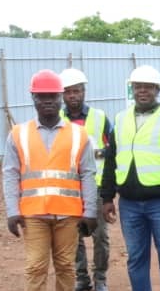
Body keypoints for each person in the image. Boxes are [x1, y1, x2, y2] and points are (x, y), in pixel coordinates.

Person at [100, 65, 160, 291]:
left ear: (157, 90)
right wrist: (106, 197)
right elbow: (111, 161)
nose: (142, 91)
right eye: (138, 87)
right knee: (135, 258)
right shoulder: (121, 119)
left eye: (148, 87)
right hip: (129, 204)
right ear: (131, 90)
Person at [2, 69, 98, 291]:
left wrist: (90, 211)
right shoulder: (18, 133)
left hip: (68, 213)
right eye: (41, 97)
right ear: (33, 99)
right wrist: (11, 210)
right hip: (33, 214)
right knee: (35, 266)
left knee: (66, 266)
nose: (47, 101)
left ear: (60, 97)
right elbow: (10, 173)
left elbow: (88, 174)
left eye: (52, 96)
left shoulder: (78, 134)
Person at [60, 68, 116, 291]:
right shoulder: (57, 119)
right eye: (68, 92)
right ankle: (82, 278)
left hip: (97, 186)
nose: (73, 96)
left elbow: (111, 152)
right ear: (62, 95)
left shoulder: (100, 118)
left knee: (100, 236)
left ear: (84, 92)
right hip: (69, 189)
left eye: (77, 91)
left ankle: (100, 278)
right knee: (73, 237)